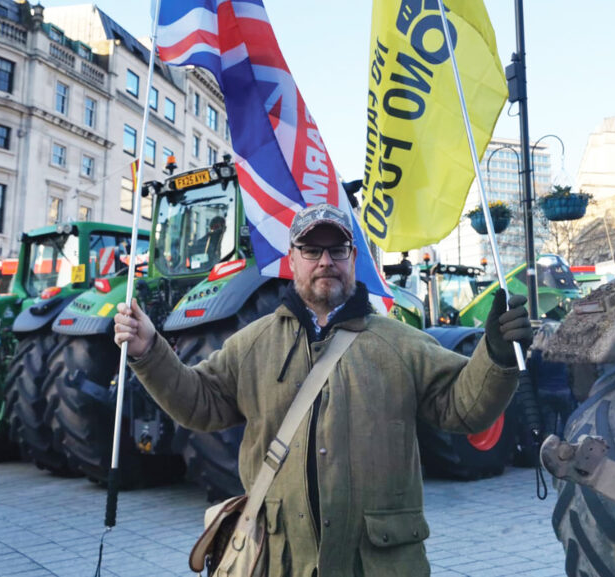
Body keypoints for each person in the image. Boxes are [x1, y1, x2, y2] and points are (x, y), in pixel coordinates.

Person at [114, 203, 532, 576]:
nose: (325, 261)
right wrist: (150, 350)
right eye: (311, 251)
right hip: (279, 562)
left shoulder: (401, 342)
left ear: (353, 259)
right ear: (292, 260)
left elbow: (464, 408)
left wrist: (495, 355)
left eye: (337, 250)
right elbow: (199, 404)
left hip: (377, 564)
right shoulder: (252, 344)